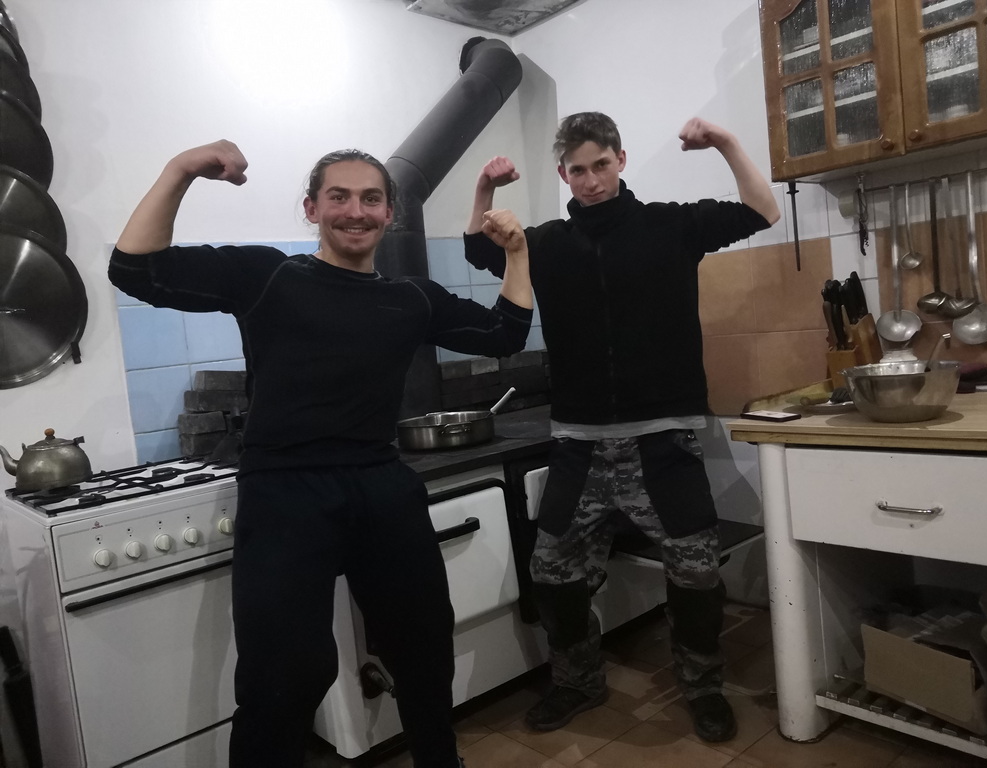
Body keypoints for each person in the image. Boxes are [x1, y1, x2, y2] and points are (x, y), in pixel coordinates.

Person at [109, 139, 533, 768]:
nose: (355, 211)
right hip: (284, 492)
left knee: (423, 650)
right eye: (339, 197)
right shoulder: (267, 276)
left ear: (390, 213)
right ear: (311, 208)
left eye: (371, 199)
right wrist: (181, 168)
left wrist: (517, 252)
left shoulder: (411, 298)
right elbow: (134, 270)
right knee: (285, 676)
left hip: (380, 483)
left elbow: (505, 333)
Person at [462, 114, 780, 743]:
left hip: (663, 440)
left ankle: (702, 686)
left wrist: (724, 142)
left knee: (696, 573)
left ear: (621, 160)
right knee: (552, 572)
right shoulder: (545, 243)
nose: (591, 180)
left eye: (601, 165)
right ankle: (578, 681)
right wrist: (484, 189)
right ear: (564, 175)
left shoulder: (670, 225)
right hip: (578, 444)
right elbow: (478, 249)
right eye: (578, 170)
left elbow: (762, 211)